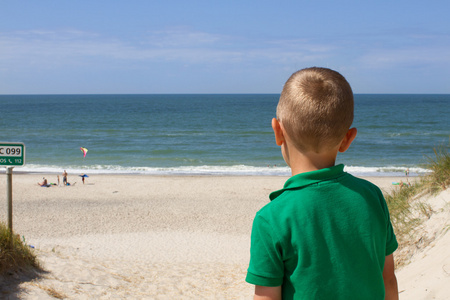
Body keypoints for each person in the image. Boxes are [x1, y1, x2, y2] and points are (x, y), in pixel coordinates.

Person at [246, 67, 398, 300]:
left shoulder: (272, 218)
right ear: (348, 139)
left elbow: (266, 297)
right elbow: (387, 280)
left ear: (278, 131)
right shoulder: (372, 197)